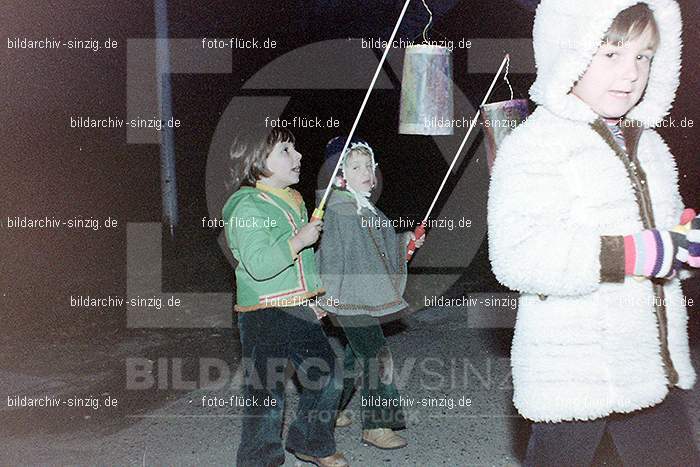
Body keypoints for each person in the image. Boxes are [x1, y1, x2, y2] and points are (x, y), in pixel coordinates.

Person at [487, 1, 700, 465]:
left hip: (649, 365)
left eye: (644, 56)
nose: (630, 73)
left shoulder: (650, 144)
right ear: (570, 51)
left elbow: (660, 246)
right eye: (611, 54)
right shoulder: (536, 144)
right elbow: (518, 254)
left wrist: (684, 244)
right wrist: (632, 254)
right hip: (574, 369)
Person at [222, 127, 348, 467]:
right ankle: (259, 459)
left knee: (329, 377)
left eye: (295, 149)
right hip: (263, 314)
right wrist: (299, 240)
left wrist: (312, 296)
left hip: (298, 307)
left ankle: (309, 440)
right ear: (256, 163)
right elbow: (260, 265)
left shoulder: (293, 199)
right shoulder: (246, 206)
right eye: (285, 150)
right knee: (266, 394)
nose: (299, 156)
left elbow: (301, 265)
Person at [315, 137, 425, 450]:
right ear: (340, 174)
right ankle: (376, 426)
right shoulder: (338, 207)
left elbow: (381, 247)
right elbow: (331, 255)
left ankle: (327, 412)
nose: (365, 172)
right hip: (347, 297)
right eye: (355, 166)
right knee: (378, 356)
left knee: (355, 358)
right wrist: (326, 298)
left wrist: (406, 242)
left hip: (362, 296)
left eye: (368, 165)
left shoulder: (365, 206)